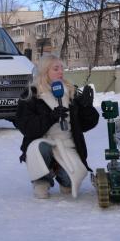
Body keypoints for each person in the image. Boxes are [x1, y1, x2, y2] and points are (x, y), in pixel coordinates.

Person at [14, 54, 99, 199]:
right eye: (56, 69)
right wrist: (51, 117)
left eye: (61, 68)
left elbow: (87, 124)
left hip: (68, 145)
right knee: (39, 147)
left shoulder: (70, 92)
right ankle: (41, 181)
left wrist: (87, 107)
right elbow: (28, 128)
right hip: (44, 142)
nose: (61, 72)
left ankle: (61, 173)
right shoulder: (31, 95)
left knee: (70, 183)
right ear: (44, 71)